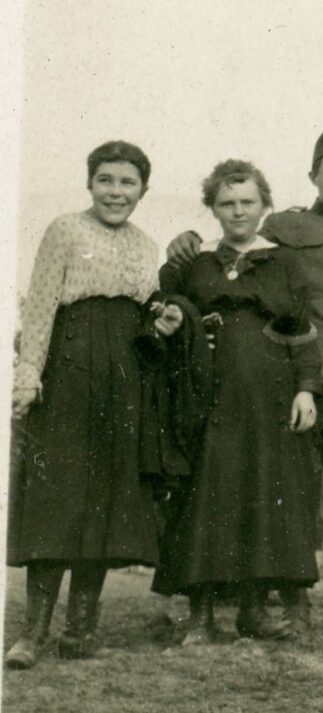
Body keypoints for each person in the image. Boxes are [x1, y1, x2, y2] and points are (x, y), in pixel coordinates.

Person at [164, 120, 323, 635]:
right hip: (289, 381)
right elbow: (231, 237)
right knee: (285, 491)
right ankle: (293, 606)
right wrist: (185, 240)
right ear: (313, 176)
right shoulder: (285, 230)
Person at [6, 141, 182, 669]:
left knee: (106, 498)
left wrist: (163, 322)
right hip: (69, 370)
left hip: (124, 378)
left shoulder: (147, 245)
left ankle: (81, 631)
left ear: (143, 191)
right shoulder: (65, 230)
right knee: (58, 497)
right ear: (90, 184)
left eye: (128, 183)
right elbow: (39, 304)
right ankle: (32, 635)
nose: (115, 191)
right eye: (106, 180)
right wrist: (28, 375)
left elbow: (145, 314)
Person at [154, 159, 321, 643]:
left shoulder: (285, 262)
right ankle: (201, 617)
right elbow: (165, 308)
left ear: (265, 204)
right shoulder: (194, 262)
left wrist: (306, 389)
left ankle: (252, 612)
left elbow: (303, 333)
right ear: (212, 207)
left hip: (269, 397)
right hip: (208, 396)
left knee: (261, 498)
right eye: (227, 203)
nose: (238, 211)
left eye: (247, 202)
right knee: (207, 498)